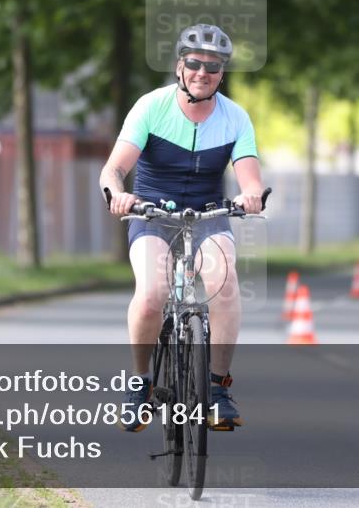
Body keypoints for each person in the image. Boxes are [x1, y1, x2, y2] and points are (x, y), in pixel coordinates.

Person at [99, 23, 265, 432]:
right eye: (194, 63)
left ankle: (219, 388)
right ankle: (140, 384)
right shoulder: (151, 107)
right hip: (152, 214)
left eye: (213, 66)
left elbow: (250, 177)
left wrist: (251, 195)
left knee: (224, 284)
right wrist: (117, 192)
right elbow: (114, 168)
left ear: (221, 74)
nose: (202, 72)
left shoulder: (235, 118)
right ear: (180, 66)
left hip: (210, 213)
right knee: (152, 294)